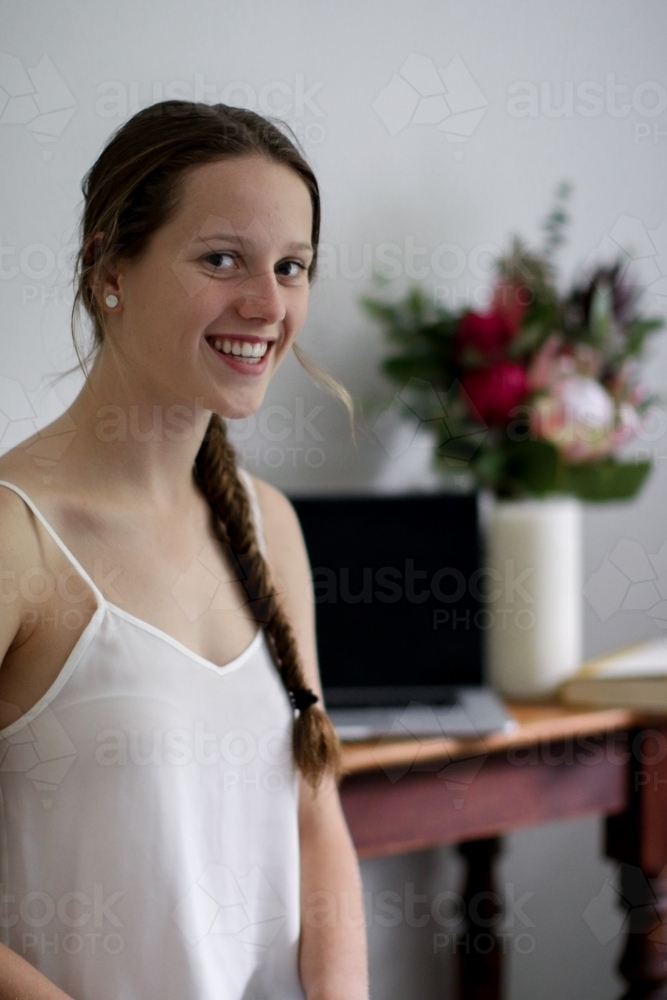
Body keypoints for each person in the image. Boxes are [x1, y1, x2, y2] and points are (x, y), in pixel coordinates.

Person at [0, 101, 369, 1000]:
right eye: (221, 259)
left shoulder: (267, 523)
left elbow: (315, 819)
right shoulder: (18, 535)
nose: (268, 304)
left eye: (292, 267)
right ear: (107, 267)